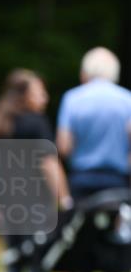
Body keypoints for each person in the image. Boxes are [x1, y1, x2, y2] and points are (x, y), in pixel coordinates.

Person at [0, 68, 70, 272]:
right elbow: (48, 164)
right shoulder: (35, 123)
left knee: (14, 259)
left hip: (7, 204)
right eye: (39, 91)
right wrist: (64, 198)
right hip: (34, 203)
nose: (45, 97)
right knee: (38, 257)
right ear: (24, 95)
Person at [56, 47, 131, 198]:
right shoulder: (127, 99)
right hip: (117, 180)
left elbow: (64, 147)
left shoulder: (72, 98)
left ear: (85, 71)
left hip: (81, 179)